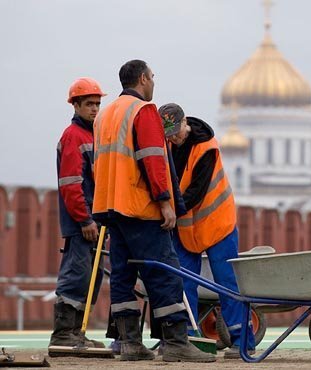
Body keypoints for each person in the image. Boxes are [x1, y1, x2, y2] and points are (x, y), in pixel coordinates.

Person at [92, 59, 214, 363]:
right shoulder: (143, 111)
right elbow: (153, 159)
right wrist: (165, 201)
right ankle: (175, 342)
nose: (154, 82)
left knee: (122, 275)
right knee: (163, 272)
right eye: (153, 77)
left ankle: (130, 343)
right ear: (143, 79)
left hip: (110, 207)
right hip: (139, 207)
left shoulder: (105, 115)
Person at [158, 103, 256, 359]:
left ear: (185, 124)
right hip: (187, 226)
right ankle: (187, 340)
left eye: (175, 132)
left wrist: (167, 210)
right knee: (183, 282)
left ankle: (243, 341)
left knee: (227, 282)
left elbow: (195, 192)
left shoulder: (206, 149)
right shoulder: (167, 146)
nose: (173, 138)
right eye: (167, 135)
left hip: (217, 223)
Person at [50, 78, 107, 350]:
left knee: (91, 278)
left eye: (97, 104)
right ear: (76, 105)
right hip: (81, 223)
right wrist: (84, 219)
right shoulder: (74, 136)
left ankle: (77, 334)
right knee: (76, 275)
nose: (95, 109)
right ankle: (64, 335)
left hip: (95, 221)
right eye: (89, 104)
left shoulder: (94, 135)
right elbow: (71, 184)